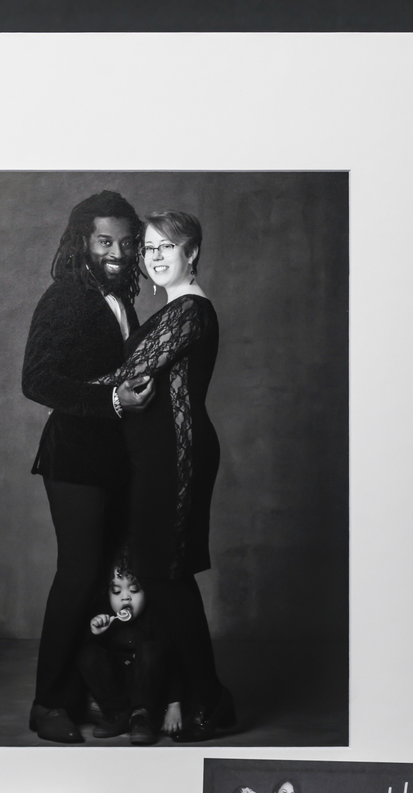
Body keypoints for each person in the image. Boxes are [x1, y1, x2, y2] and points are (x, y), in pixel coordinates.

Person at [91, 211, 232, 742]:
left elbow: (129, 375)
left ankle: (210, 701)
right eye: (148, 248)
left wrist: (69, 391)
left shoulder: (190, 310)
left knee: (167, 577)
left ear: (191, 252)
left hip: (178, 455)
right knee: (161, 576)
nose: (153, 256)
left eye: (165, 246)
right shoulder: (173, 310)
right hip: (157, 455)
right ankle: (198, 696)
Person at [22, 192, 155, 743]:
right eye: (105, 242)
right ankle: (48, 703)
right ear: (84, 243)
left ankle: (99, 697)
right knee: (77, 577)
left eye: (126, 242)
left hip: (117, 460)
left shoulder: (119, 299)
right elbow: (36, 380)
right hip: (74, 460)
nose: (118, 253)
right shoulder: (64, 298)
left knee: (103, 581)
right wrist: (114, 400)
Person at [77, 554, 177, 745]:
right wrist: (94, 633)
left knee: (151, 650)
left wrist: (175, 705)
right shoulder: (105, 618)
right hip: (116, 692)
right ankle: (117, 713)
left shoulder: (155, 618)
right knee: (87, 653)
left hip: (147, 690)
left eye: (134, 589)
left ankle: (141, 716)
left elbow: (174, 662)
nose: (125, 596)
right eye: (116, 591)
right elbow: (91, 663)